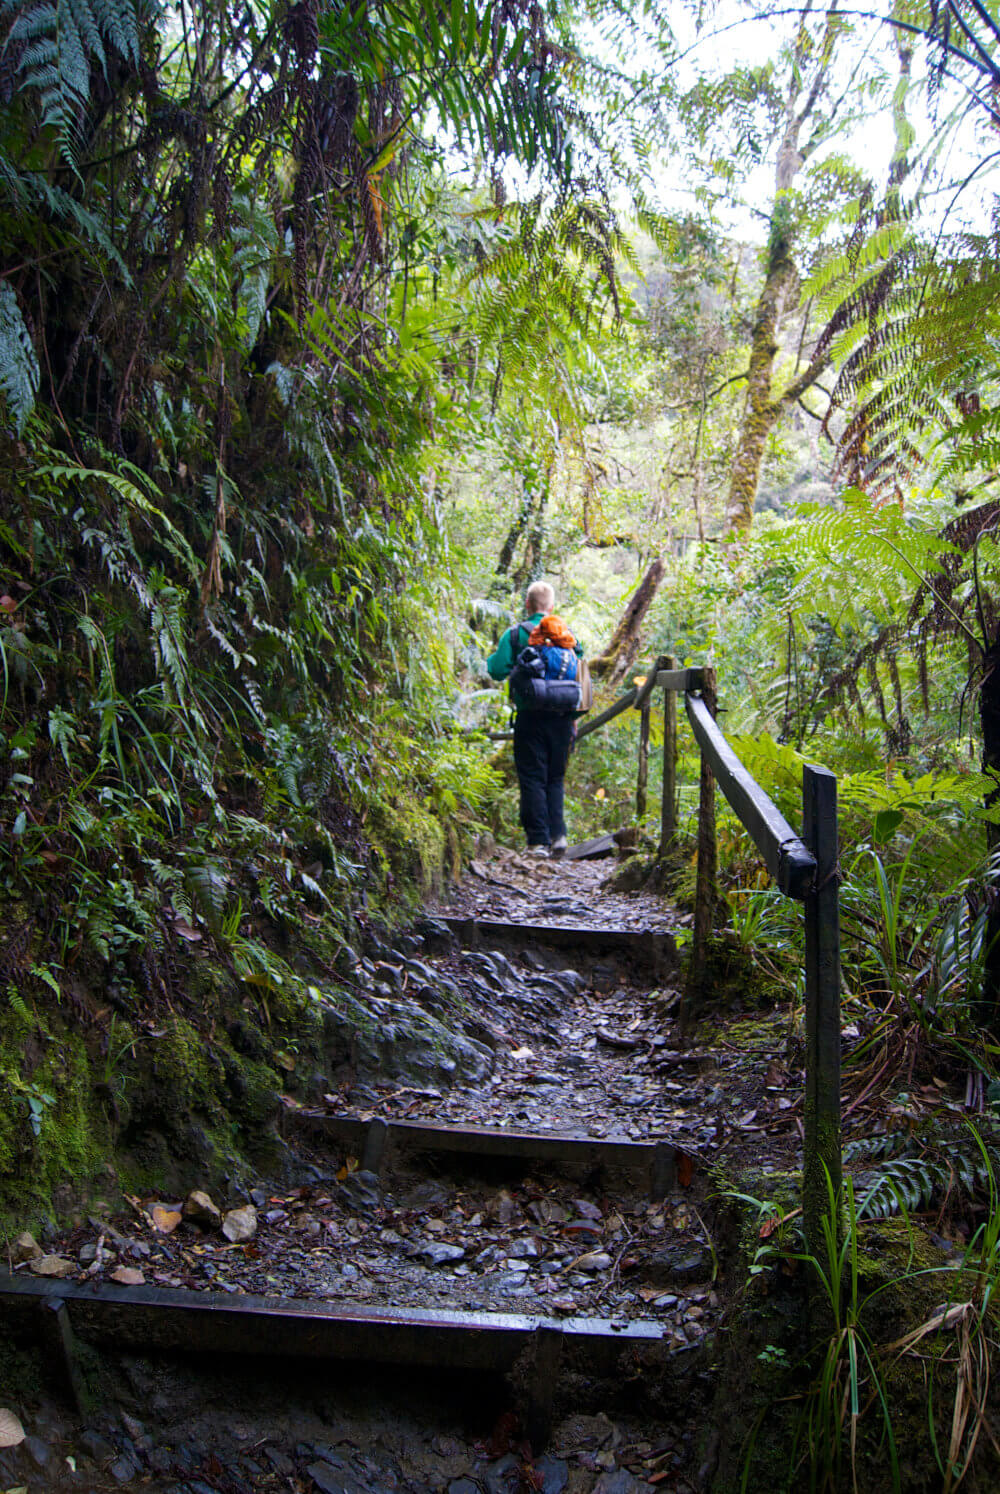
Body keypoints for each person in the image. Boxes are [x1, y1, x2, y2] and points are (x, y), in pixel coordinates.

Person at [487, 581, 581, 857]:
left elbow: (495, 669)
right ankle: (559, 836)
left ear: (527, 604)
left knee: (532, 777)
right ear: (552, 607)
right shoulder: (567, 634)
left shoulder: (515, 634)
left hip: (529, 716)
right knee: (555, 777)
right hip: (563, 718)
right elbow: (579, 665)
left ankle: (538, 842)